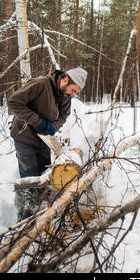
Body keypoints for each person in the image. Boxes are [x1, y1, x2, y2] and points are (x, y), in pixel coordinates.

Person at [8, 67, 88, 221]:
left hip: (44, 139)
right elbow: (14, 103)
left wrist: (54, 126)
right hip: (24, 136)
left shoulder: (66, 96)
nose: (72, 94)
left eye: (75, 92)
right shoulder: (40, 84)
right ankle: (24, 216)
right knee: (29, 177)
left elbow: (64, 115)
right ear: (65, 79)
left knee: (45, 175)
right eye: (72, 90)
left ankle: (40, 209)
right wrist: (37, 121)